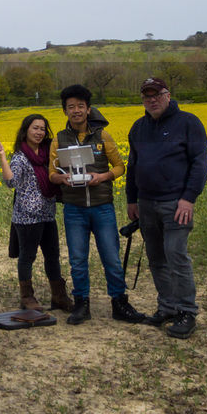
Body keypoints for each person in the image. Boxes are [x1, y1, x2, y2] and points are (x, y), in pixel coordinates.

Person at [49, 84, 146, 325]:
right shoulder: (58, 139)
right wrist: (62, 178)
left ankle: (119, 303)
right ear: (65, 111)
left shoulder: (103, 136)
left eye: (80, 106)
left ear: (88, 109)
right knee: (78, 259)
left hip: (102, 206)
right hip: (74, 209)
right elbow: (52, 173)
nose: (76, 111)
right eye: (71, 107)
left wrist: (102, 177)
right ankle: (81, 304)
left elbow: (120, 166)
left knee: (111, 257)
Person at [125, 77, 207, 339]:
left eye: (156, 94)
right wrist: (132, 199)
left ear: (168, 95)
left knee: (176, 254)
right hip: (147, 204)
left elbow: (200, 162)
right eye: (146, 96)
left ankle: (187, 311)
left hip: (176, 203)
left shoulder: (188, 123)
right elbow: (133, 165)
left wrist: (189, 198)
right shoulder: (138, 128)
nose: (151, 100)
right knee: (157, 259)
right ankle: (168, 306)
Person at [0, 114, 75, 312]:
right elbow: (10, 182)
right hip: (27, 217)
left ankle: (59, 296)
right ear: (26, 130)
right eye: (35, 128)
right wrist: (3, 157)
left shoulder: (49, 154)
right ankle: (27, 297)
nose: (39, 132)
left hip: (47, 213)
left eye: (42, 129)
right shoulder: (21, 157)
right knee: (27, 256)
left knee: (53, 256)